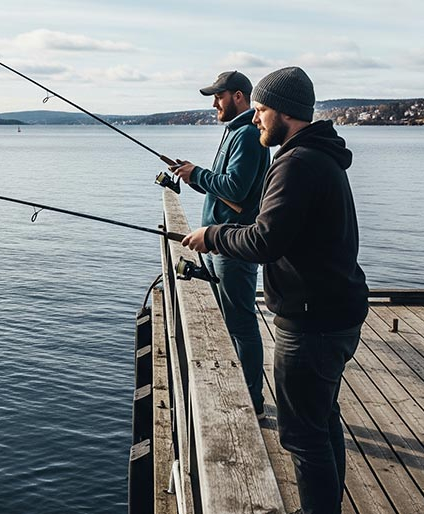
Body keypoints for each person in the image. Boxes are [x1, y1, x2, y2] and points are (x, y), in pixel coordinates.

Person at [181, 66, 369, 514]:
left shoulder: (298, 163)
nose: (256, 119)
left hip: (311, 322)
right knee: (322, 421)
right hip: (334, 312)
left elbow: (264, 240)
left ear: (284, 112)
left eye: (261, 110)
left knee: (302, 436)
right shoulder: (319, 157)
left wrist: (214, 235)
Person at [170, 70, 269, 418]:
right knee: (231, 323)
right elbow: (224, 188)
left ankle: (253, 403)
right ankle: (244, 394)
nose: (214, 103)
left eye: (219, 96)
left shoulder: (244, 135)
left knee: (241, 325)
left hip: (232, 245)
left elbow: (236, 191)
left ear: (238, 96)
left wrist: (197, 173)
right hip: (217, 243)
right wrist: (190, 174)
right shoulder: (236, 132)